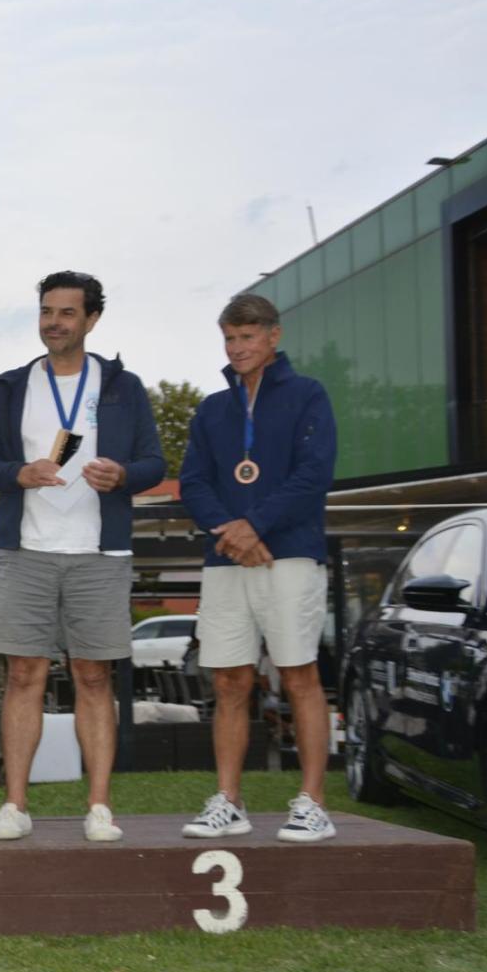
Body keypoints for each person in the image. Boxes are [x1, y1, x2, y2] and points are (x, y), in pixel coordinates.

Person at [0, 271, 165, 843]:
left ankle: (99, 808)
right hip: (25, 551)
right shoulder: (12, 387)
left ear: (92, 319)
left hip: (99, 554)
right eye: (46, 311)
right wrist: (19, 473)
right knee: (23, 674)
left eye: (67, 313)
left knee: (93, 677)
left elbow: (154, 464)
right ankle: (15, 805)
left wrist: (122, 475)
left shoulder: (123, 386)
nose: (54, 322)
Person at [179, 292, 338, 842]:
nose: (237, 347)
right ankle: (228, 800)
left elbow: (314, 473)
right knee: (229, 680)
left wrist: (255, 526)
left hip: (289, 554)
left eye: (247, 336)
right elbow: (193, 481)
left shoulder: (307, 395)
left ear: (274, 336)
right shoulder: (211, 409)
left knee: (298, 675)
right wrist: (232, 532)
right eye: (229, 338)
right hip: (227, 557)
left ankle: (313, 802)